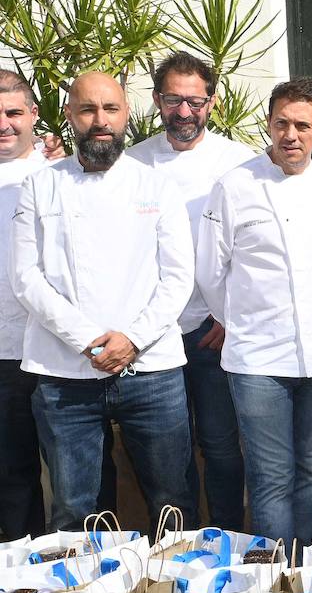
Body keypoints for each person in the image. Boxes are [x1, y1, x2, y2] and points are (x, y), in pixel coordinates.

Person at [13, 71, 196, 531]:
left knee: (173, 501)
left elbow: (178, 278)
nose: (100, 121)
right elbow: (25, 278)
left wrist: (131, 339)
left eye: (110, 109)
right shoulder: (40, 185)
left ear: (127, 114)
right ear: (70, 115)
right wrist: (88, 340)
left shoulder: (156, 187)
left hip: (151, 371)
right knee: (75, 510)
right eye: (88, 109)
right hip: (64, 373)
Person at [197, 78, 312, 551]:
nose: (291, 135)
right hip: (257, 359)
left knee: (309, 467)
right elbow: (210, 271)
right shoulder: (234, 185)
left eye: (303, 125)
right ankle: (274, 576)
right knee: (269, 476)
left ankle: (300, 566)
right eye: (281, 123)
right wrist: (243, 320)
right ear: (268, 124)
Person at [127, 51, 256, 530]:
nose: (184, 112)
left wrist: (228, 315)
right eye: (173, 100)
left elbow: (249, 250)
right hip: (154, 335)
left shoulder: (238, 162)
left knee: (222, 446)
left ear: (213, 102)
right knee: (167, 452)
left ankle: (226, 539)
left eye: (194, 101)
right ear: (157, 101)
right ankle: (176, 547)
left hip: (211, 330)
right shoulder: (133, 162)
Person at [0, 70, 51, 539]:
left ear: (33, 115)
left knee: (80, 477)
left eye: (14, 112)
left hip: (58, 349)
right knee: (11, 477)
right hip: (2, 353)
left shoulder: (61, 172)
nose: (4, 123)